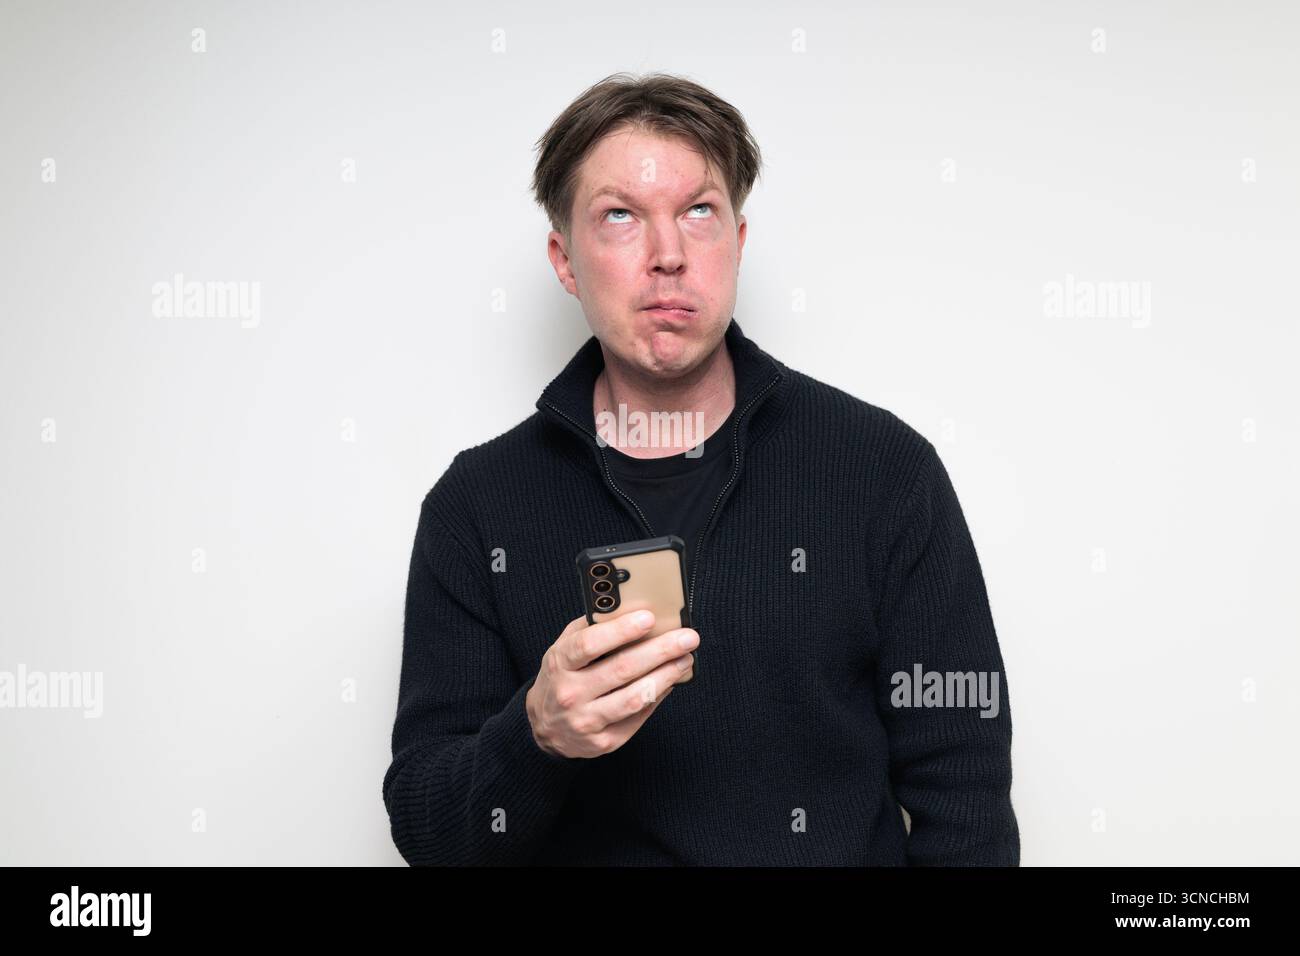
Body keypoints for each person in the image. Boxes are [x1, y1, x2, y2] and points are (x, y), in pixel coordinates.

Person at [383, 72, 1020, 866]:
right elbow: (430, 830)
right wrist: (537, 734)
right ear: (566, 260)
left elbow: (967, 801)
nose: (669, 256)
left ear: (738, 243)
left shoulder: (885, 471)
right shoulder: (475, 508)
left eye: (698, 212)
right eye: (620, 216)